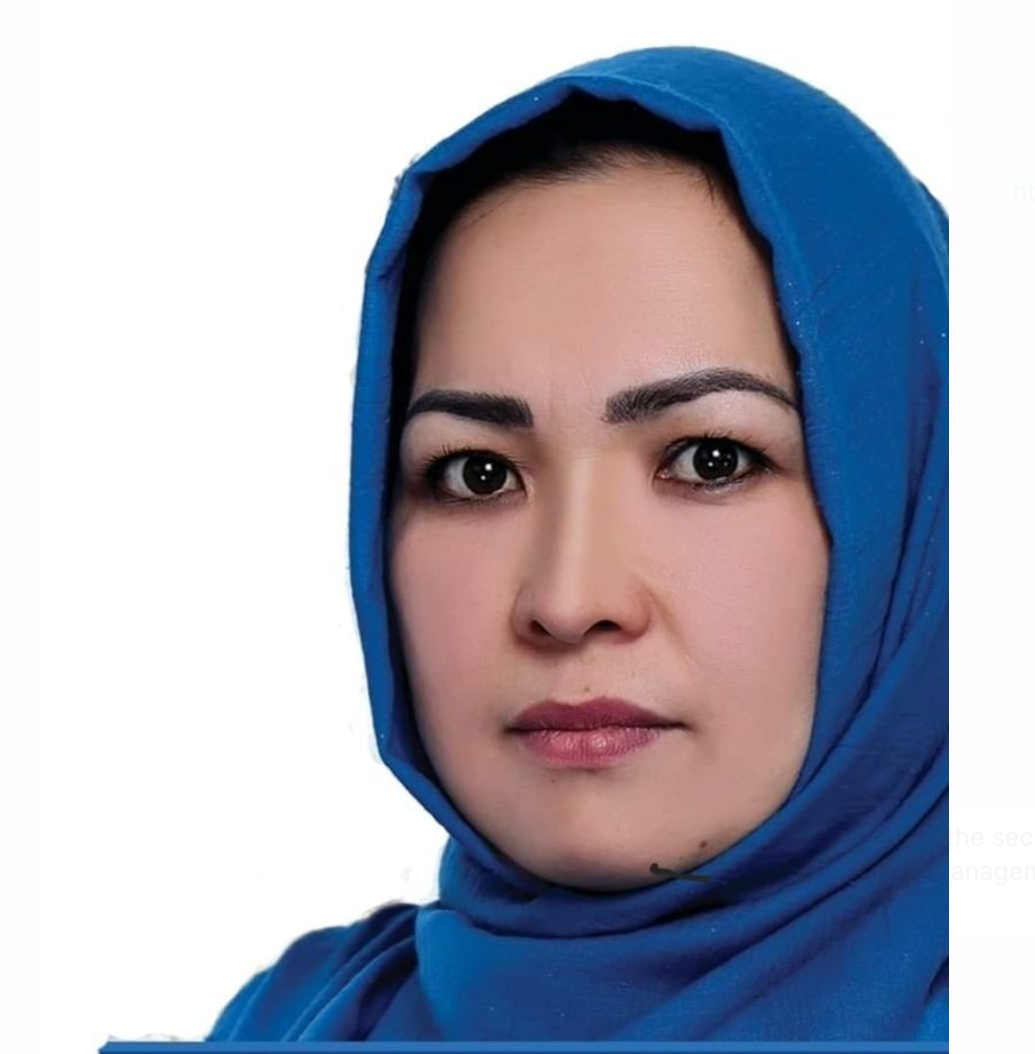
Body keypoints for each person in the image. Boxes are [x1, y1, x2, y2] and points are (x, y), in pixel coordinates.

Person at [205, 45, 948, 1042]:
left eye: (710, 460)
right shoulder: (290, 1025)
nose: (568, 599)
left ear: (916, 512)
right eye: (477, 473)